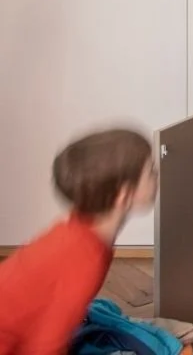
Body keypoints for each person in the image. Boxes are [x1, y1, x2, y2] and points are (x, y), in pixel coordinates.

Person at [0, 128, 158, 354]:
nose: (157, 174)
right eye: (151, 171)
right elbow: (45, 344)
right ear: (124, 195)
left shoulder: (82, 229)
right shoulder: (83, 261)